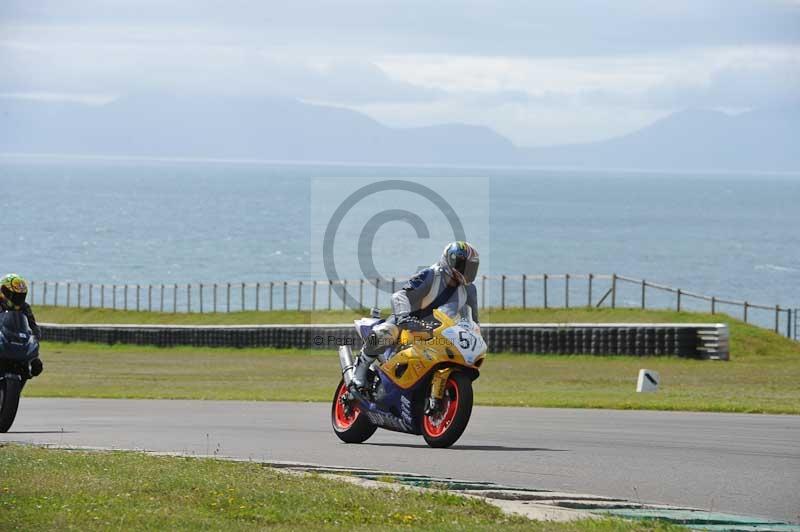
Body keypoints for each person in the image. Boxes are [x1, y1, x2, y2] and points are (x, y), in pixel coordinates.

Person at [352, 241, 480, 390]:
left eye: (471, 267)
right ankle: (359, 371)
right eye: (463, 266)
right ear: (450, 261)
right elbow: (400, 295)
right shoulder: (431, 275)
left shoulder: (469, 290)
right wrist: (403, 317)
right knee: (386, 332)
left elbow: (473, 321)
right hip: (408, 322)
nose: (466, 271)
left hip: (439, 331)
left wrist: (475, 336)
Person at [0, 273, 42, 338]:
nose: (18, 299)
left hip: (19, 340)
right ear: (5, 292)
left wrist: (36, 334)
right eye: (15, 296)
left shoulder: (24, 307)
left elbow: (33, 325)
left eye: (20, 296)